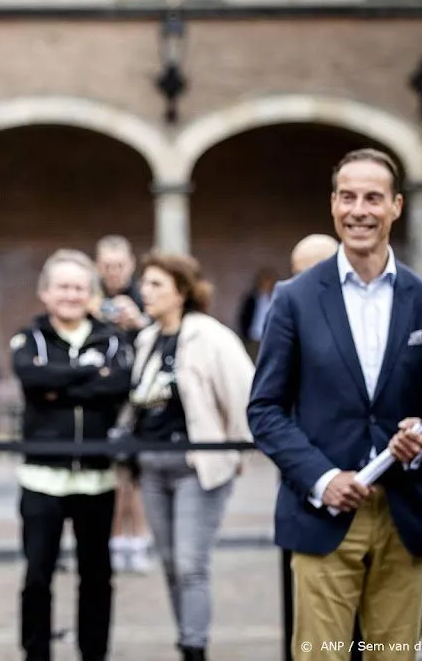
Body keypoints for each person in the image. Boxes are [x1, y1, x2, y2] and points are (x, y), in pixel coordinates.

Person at [248, 148, 422, 661]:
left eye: (372, 198)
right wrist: (324, 480)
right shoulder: (294, 298)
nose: (359, 210)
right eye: (348, 197)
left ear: (395, 206)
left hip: (406, 516)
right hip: (322, 516)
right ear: (332, 204)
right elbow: (265, 410)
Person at [128, 252, 254, 661]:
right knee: (168, 562)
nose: (145, 292)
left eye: (156, 285)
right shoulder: (146, 339)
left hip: (195, 466)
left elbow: (243, 396)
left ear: (182, 291)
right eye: (144, 283)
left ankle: (195, 648)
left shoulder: (211, 336)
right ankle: (187, 638)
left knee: (189, 563)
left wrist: (235, 450)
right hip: (151, 465)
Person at [11, 249, 134, 661]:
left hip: (97, 477)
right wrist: (89, 372)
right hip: (41, 478)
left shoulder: (112, 338)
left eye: (80, 287)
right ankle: (36, 653)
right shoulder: (30, 339)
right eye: (63, 286)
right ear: (45, 292)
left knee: (97, 576)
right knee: (37, 577)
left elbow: (117, 387)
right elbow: (31, 378)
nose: (71, 294)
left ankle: (94, 653)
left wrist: (58, 388)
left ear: (92, 293)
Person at [93, 235, 153, 574]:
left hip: (138, 398)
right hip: (103, 398)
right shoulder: (90, 298)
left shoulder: (144, 299)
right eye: (107, 266)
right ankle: (117, 538)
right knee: (115, 475)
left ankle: (138, 539)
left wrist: (138, 324)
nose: (113, 272)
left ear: (131, 265)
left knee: (135, 474)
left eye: (119, 265)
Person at [236, 266, 278, 360]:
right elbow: (244, 317)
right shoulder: (252, 298)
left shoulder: (276, 299)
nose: (267, 284)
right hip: (254, 338)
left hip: (270, 339)